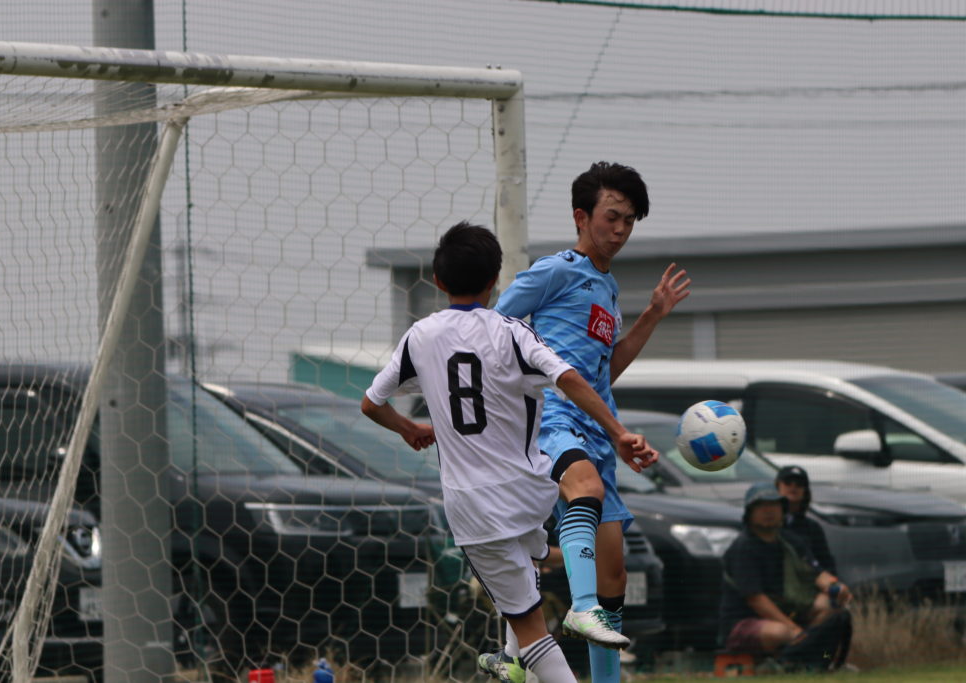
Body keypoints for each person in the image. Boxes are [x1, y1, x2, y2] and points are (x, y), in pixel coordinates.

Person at [361, 222, 658, 683]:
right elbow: (569, 378)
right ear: (495, 280)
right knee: (526, 579)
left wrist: (408, 428)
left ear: (437, 281)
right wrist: (618, 431)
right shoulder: (513, 333)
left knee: (534, 631)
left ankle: (555, 629)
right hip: (528, 492)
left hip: (477, 507)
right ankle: (510, 658)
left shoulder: (420, 337)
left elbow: (371, 403)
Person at [492, 162, 691, 683]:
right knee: (583, 488)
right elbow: (493, 328)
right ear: (582, 217)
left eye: (629, 220)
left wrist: (652, 314)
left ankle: (582, 663)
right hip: (554, 417)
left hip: (599, 429)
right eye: (612, 217)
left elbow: (605, 372)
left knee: (614, 574)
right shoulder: (556, 270)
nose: (621, 229)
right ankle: (572, 613)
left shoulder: (607, 288)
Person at [719, 482, 854, 672]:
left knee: (829, 604)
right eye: (761, 506)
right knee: (781, 632)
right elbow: (756, 599)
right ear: (749, 513)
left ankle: (804, 659)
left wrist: (835, 586)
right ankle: (790, 660)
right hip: (744, 623)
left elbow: (817, 573)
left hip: (787, 614)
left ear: (783, 511)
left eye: (774, 505)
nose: (769, 511)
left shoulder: (790, 541)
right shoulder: (743, 547)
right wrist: (794, 629)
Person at [775, 465, 837, 575]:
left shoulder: (813, 528)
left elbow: (827, 565)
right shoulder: (766, 523)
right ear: (777, 486)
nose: (793, 487)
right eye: (788, 483)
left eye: (799, 484)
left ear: (805, 491)